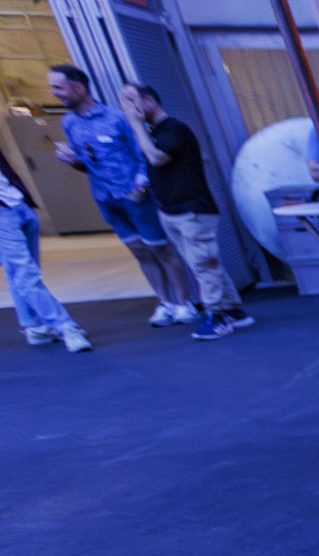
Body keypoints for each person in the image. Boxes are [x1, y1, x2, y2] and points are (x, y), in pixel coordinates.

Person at [48, 63, 196, 326]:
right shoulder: (68, 122)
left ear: (78, 87)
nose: (54, 93)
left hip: (135, 197)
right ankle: (165, 303)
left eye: (58, 87)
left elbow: (143, 156)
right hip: (105, 198)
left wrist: (140, 186)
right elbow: (86, 163)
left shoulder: (118, 118)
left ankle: (184, 304)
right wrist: (73, 160)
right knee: (140, 251)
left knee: (160, 249)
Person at [121, 83, 253, 341]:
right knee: (202, 262)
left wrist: (136, 125)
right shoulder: (154, 131)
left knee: (203, 263)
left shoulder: (174, 128)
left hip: (192, 210)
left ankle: (216, 315)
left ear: (149, 101)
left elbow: (158, 158)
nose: (126, 108)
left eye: (130, 100)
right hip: (172, 211)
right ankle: (232, 310)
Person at [0, 148, 90, 352]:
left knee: (20, 273)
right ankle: (66, 327)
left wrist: (23, 199)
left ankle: (34, 327)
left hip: (18, 204)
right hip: (3, 215)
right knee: (24, 274)